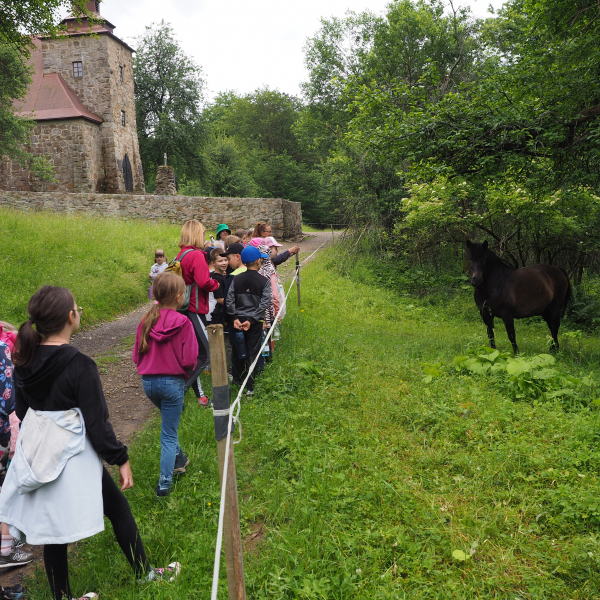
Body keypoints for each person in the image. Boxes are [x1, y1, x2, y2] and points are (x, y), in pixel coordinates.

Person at [0, 286, 179, 600]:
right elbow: (98, 425)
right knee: (118, 509)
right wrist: (120, 458)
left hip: (41, 457)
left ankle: (62, 596)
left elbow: (23, 411)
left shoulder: (24, 360)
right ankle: (145, 574)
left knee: (53, 532)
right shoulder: (80, 365)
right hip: (75, 457)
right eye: (77, 307)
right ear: (71, 317)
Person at [133, 273, 198, 497]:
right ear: (179, 297)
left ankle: (180, 459)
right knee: (168, 434)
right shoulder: (184, 322)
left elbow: (136, 356)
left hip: (149, 383)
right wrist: (184, 371)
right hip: (173, 383)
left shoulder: (146, 319)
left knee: (170, 423)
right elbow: (190, 359)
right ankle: (164, 484)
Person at [176, 220, 220, 407]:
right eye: (202, 233)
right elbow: (203, 282)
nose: (203, 236)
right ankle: (179, 392)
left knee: (193, 357)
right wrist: (216, 283)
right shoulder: (196, 255)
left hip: (183, 308)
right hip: (194, 308)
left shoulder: (181, 254)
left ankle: (201, 397)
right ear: (196, 235)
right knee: (205, 353)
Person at [225, 246, 272, 395]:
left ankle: (237, 381)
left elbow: (229, 300)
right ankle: (250, 386)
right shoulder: (264, 281)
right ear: (258, 261)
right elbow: (264, 303)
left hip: (237, 322)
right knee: (253, 352)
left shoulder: (236, 278)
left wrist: (234, 318)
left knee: (237, 351)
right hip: (254, 323)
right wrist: (251, 320)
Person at [207, 249, 228, 326]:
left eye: (226, 260)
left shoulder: (214, 275)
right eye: (220, 261)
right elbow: (220, 299)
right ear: (213, 263)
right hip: (216, 313)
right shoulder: (217, 278)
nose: (224, 263)